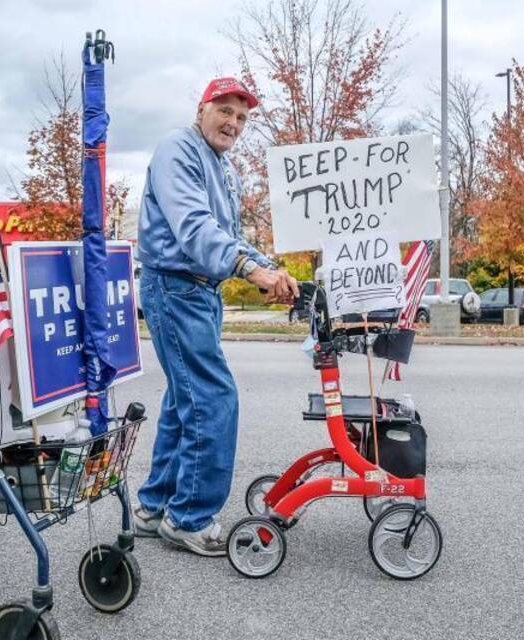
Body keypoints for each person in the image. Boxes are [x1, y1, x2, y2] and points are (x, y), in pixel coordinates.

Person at [133, 77, 300, 556]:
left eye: (242, 117)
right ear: (202, 108)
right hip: (175, 288)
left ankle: (154, 506)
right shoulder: (178, 151)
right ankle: (189, 518)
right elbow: (194, 227)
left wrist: (264, 266)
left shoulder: (222, 166)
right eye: (225, 110)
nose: (233, 123)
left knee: (183, 398)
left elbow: (227, 232)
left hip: (198, 292)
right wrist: (249, 268)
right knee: (213, 397)